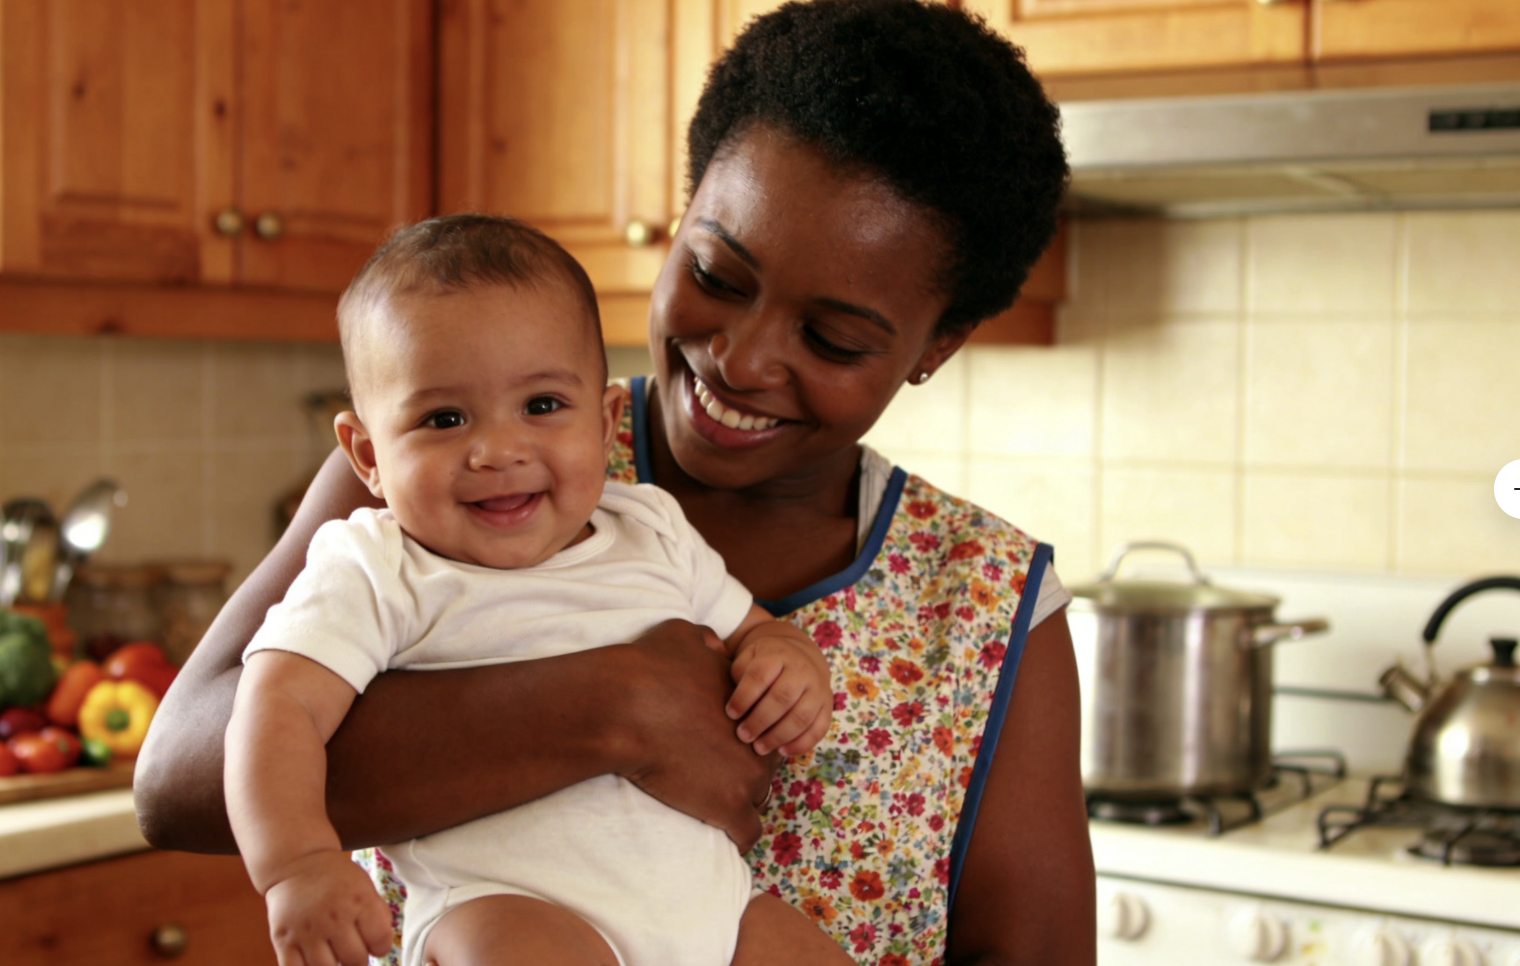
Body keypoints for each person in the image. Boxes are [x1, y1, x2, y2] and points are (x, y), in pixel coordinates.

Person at [136, 1, 1096, 963]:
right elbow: (179, 776)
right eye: (718, 272)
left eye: (832, 338)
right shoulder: (450, 463)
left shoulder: (984, 602)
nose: (743, 358)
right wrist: (618, 708)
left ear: (937, 346)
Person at [225, 214, 849, 966]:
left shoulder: (650, 530)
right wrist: (295, 866)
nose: (498, 450)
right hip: (505, 909)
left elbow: (756, 630)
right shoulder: (378, 567)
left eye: (543, 406)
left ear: (608, 421)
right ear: (366, 454)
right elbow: (276, 707)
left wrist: (787, 659)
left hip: (713, 913)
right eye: (444, 418)